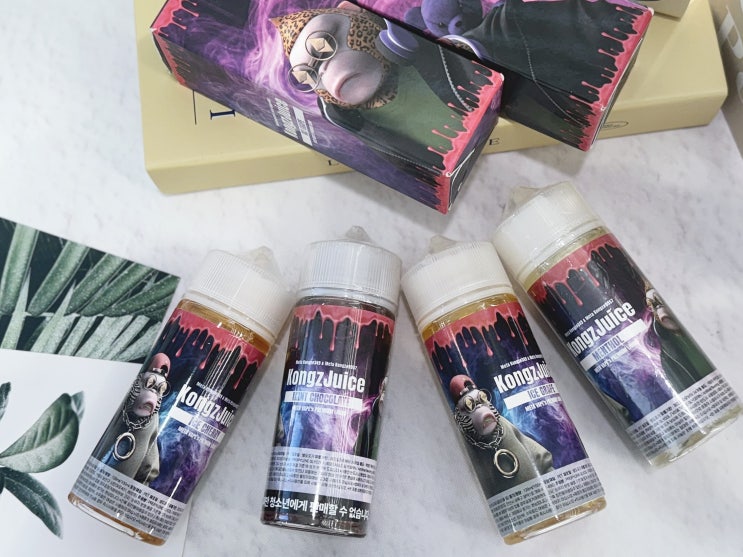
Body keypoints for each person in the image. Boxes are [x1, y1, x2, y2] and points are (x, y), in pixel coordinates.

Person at [271, 2, 496, 180]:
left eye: (323, 44)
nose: (324, 69)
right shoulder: (358, 127)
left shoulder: (446, 51)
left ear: (352, 11)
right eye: (308, 75)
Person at [449, 375, 553, 495]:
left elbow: (538, 456)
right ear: (459, 415)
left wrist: (550, 476)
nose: (481, 408)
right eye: (470, 405)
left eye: (482, 399)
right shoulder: (462, 443)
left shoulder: (502, 425)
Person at [93, 353, 171, 485]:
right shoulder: (120, 402)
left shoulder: (152, 420)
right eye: (149, 384)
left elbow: (150, 467)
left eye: (160, 389)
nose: (153, 393)